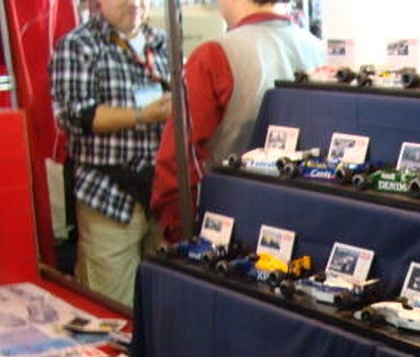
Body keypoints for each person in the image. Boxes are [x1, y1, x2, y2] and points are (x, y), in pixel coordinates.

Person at [150, 0, 326, 243]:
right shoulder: (318, 50)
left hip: (230, 227)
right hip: (308, 224)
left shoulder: (213, 57)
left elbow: (178, 160)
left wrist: (179, 231)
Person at [50, 0, 172, 307]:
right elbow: (76, 116)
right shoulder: (78, 45)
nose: (134, 3)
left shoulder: (162, 42)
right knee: (111, 303)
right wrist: (142, 115)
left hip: (160, 193)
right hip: (107, 196)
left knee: (165, 301)